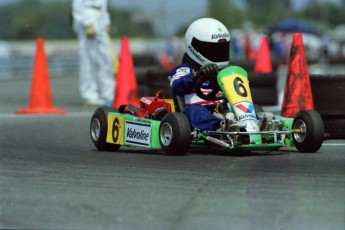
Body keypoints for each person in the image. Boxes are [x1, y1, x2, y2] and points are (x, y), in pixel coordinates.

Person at [169, 18, 272, 132]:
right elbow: (176, 85)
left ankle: (253, 123)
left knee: (240, 107)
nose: (217, 54)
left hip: (222, 110)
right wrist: (196, 76)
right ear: (194, 47)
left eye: (220, 50)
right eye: (212, 50)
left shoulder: (222, 72)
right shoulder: (185, 69)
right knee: (195, 111)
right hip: (197, 112)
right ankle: (221, 127)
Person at [72, 0, 115, 106]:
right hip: (88, 14)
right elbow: (77, 4)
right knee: (88, 58)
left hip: (101, 15)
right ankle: (89, 95)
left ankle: (108, 94)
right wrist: (87, 23)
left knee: (106, 58)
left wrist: (106, 20)